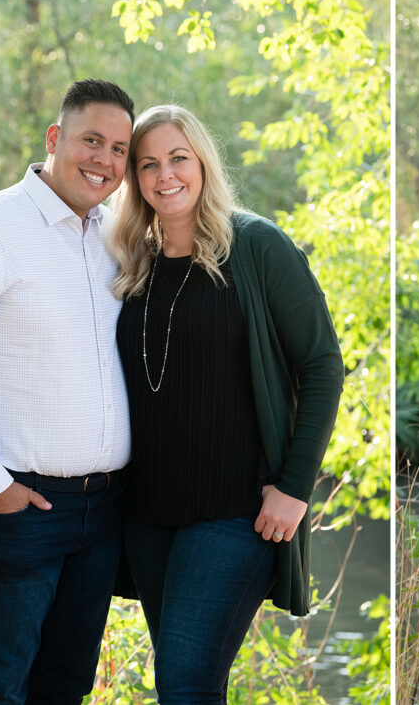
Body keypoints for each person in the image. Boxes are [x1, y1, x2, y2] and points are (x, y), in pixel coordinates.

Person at [110, 104, 343, 703]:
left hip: (235, 513)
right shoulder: (131, 262)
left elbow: (322, 365)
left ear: (203, 163)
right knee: (183, 686)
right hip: (148, 516)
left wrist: (294, 489)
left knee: (186, 686)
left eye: (179, 158)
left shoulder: (257, 246)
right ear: (134, 178)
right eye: (149, 164)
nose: (166, 176)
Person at [0, 79, 135, 704]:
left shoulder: (114, 238)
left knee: (66, 688)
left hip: (102, 511)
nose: (105, 160)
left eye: (119, 149)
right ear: (55, 137)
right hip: (16, 505)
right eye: (92, 140)